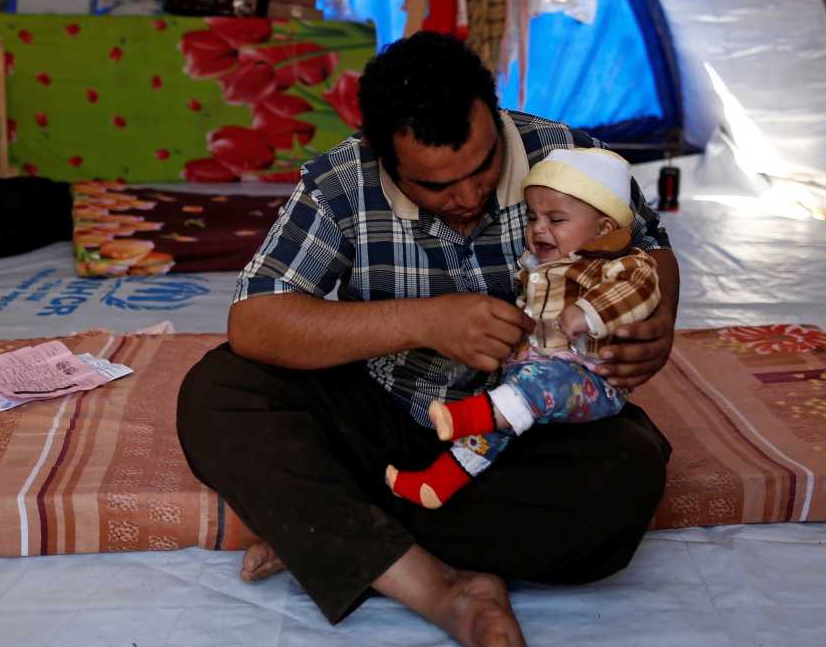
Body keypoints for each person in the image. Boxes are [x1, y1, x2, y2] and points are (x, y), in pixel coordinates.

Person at [176, 32, 680, 647]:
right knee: (218, 394)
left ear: (495, 120)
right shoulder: (342, 180)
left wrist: (655, 324)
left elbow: (651, 250)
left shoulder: (568, 158)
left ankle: (337, 529)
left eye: (482, 169)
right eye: (435, 187)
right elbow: (255, 320)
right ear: (381, 157)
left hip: (529, 430)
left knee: (623, 483)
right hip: (385, 413)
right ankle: (439, 587)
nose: (467, 198)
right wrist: (424, 321)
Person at [385, 147, 661, 509]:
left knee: (531, 391)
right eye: (532, 217)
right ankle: (436, 483)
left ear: (604, 228)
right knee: (490, 432)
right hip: (530, 378)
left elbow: (640, 287)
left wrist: (589, 313)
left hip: (589, 381)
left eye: (556, 220)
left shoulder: (617, 264)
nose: (538, 229)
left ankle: (466, 416)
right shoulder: (539, 269)